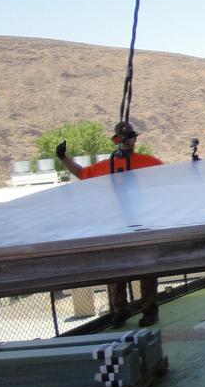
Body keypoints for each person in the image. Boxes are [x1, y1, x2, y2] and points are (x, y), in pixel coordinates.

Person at [56, 121, 165, 327]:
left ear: (135, 139)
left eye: (131, 136)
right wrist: (64, 158)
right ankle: (119, 311)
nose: (127, 140)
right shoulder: (107, 166)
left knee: (147, 269)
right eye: (123, 137)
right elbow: (83, 174)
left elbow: (171, 176)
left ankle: (150, 311)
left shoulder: (147, 162)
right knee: (117, 271)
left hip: (142, 225)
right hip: (116, 226)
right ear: (116, 140)